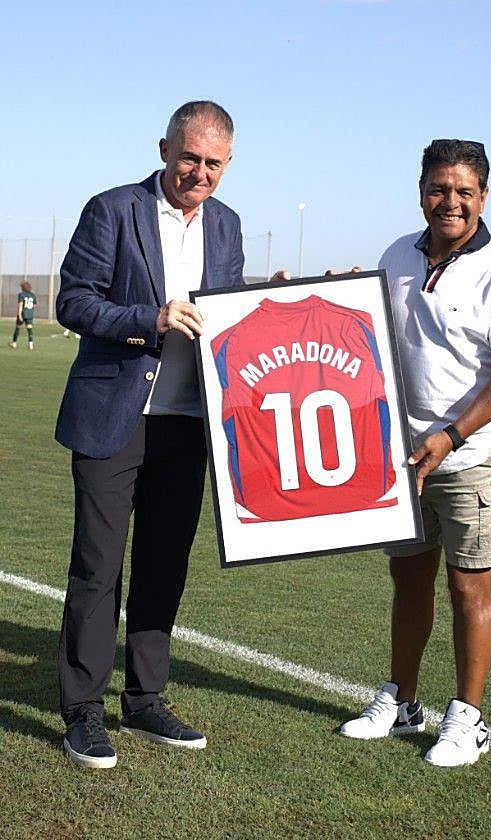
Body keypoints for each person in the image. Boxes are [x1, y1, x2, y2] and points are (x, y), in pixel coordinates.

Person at [338, 139, 491, 768]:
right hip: (406, 457)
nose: (450, 202)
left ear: (483, 195)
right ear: (421, 189)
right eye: (439, 189)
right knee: (407, 579)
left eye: (464, 192)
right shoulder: (397, 255)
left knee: (467, 586)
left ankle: (468, 718)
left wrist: (450, 435)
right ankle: (401, 700)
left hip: (474, 456)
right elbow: (367, 327)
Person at [54, 101, 244, 769]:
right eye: (189, 156)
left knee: (165, 564)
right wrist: (150, 319)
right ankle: (82, 710)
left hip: (189, 424)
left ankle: (145, 698)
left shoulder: (227, 225)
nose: (198, 172)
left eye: (212, 163)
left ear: (229, 164)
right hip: (113, 417)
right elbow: (73, 300)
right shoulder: (112, 209)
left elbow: (230, 314)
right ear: (164, 147)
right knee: (98, 568)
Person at [11, 281, 36, 349]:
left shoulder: (21, 294)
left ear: (23, 287)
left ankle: (14, 343)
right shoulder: (33, 295)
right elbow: (34, 305)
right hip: (30, 315)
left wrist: (19, 315)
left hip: (23, 313)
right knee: (29, 329)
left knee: (18, 328)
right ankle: (31, 345)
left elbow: (20, 305)